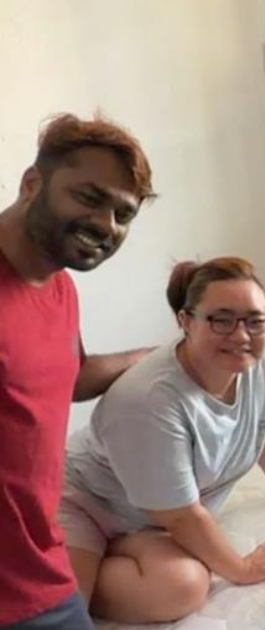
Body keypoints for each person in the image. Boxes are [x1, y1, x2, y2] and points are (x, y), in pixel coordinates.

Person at [58, 257, 265, 623]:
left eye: (255, 321)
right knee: (61, 616)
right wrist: (243, 568)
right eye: (221, 320)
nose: (241, 336)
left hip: (149, 518)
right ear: (185, 321)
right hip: (84, 504)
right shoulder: (151, 399)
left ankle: (113, 552)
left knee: (181, 585)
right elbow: (180, 515)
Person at [0, 113, 156, 630]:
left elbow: (61, 378)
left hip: (37, 568)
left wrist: (153, 357)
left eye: (123, 214)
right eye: (89, 197)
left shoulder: (59, 287)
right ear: (32, 183)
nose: (106, 225)